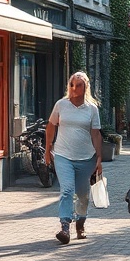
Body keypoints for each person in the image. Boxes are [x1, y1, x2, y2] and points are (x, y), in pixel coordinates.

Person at [45, 71, 103, 244]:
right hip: (63, 156)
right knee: (67, 191)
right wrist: (48, 150)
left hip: (86, 158)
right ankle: (64, 226)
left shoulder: (92, 109)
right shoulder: (61, 105)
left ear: (86, 87)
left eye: (78, 85)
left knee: (83, 195)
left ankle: (81, 224)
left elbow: (96, 134)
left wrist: (99, 157)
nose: (74, 88)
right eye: (72, 84)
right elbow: (50, 127)